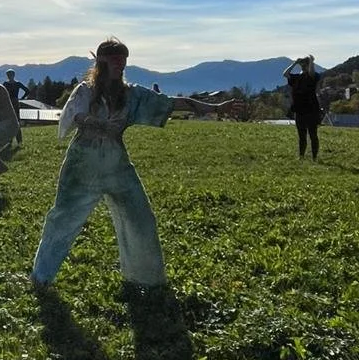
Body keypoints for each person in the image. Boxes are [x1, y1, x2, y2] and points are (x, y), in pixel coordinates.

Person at [32, 37, 235, 290]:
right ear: (100, 63)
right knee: (62, 219)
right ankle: (41, 277)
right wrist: (98, 123)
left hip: (117, 165)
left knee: (140, 219)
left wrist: (212, 108)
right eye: (115, 62)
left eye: (123, 62)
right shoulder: (85, 90)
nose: (120, 67)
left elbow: (170, 103)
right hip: (82, 165)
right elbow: (75, 115)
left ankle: (146, 279)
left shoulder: (131, 95)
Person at [283, 55, 324, 161]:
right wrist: (294, 63)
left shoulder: (313, 77)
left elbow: (311, 73)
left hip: (311, 110)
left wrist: (311, 62)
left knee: (313, 135)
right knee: (302, 136)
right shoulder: (296, 78)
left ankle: (314, 157)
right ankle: (301, 156)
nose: (303, 67)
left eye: (305, 65)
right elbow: (285, 74)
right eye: (302, 65)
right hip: (299, 110)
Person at [3, 69, 28, 146]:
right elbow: (27, 91)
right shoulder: (17, 83)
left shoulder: (5, 84)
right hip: (15, 102)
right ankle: (18, 141)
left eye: (9, 75)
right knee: (16, 122)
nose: (9, 76)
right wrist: (21, 98)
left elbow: (2, 93)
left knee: (10, 122)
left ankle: (10, 141)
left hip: (9, 103)